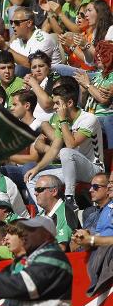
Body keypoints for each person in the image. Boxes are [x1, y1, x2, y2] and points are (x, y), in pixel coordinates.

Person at [25, 83, 105, 212]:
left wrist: (62, 121)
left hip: (93, 169)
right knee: (32, 179)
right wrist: (37, 168)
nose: (54, 107)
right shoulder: (64, 121)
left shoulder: (89, 119)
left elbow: (71, 145)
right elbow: (54, 149)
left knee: (66, 151)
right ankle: (48, 213)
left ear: (69, 103)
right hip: (71, 170)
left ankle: (70, 199)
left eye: (57, 103)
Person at [32, 175, 81, 250]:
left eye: (39, 189)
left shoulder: (65, 213)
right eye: (35, 190)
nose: (35, 193)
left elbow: (60, 248)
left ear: (54, 191)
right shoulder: (40, 215)